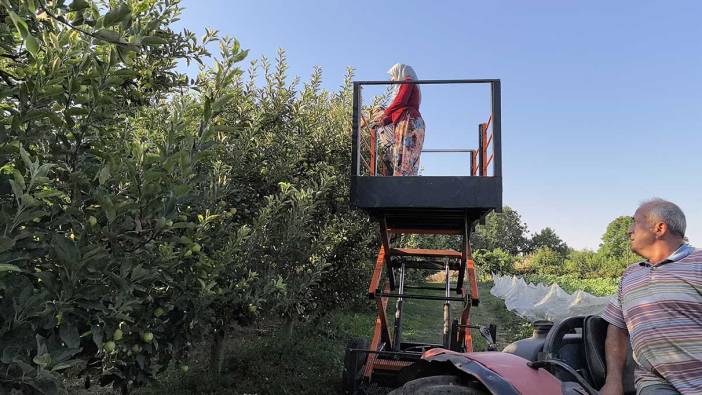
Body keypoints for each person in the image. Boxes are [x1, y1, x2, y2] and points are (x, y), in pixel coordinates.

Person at [600, 199, 702, 395]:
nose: (629, 230)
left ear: (659, 228)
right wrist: (613, 381)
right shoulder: (629, 275)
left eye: (635, 222)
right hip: (655, 382)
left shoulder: (698, 262)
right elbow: (616, 329)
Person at [372, 64, 425, 176]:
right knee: (409, 155)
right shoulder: (410, 84)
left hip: (409, 122)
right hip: (413, 121)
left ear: (399, 72)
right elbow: (399, 110)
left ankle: (402, 181)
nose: (393, 80)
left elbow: (400, 101)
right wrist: (382, 122)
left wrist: (384, 113)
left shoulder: (408, 81)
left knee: (404, 153)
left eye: (394, 76)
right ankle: (406, 179)